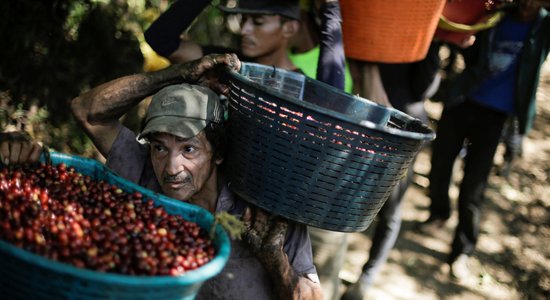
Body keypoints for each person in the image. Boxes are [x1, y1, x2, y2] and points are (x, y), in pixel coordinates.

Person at [3, 54, 323, 299]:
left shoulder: (263, 211)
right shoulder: (140, 173)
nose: (171, 168)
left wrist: (274, 260)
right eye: (159, 147)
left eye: (188, 150)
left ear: (219, 152)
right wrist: (175, 74)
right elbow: (87, 110)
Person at [418, 0, 550, 280]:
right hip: (463, 99)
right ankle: (439, 214)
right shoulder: (495, 14)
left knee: (473, 188)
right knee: (440, 165)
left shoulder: (544, 26)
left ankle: (462, 251)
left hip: (497, 116)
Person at [340, 42, 441, 300]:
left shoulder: (418, 32)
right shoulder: (369, 25)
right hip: (362, 120)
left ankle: (367, 276)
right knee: (345, 196)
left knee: (390, 208)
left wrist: (433, 43)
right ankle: (335, 263)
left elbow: (424, 89)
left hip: (401, 132)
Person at [145, 0, 302, 71]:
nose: (244, 30)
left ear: (289, 28)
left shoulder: (302, 89)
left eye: (258, 22)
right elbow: (160, 39)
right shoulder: (224, 64)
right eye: (244, 20)